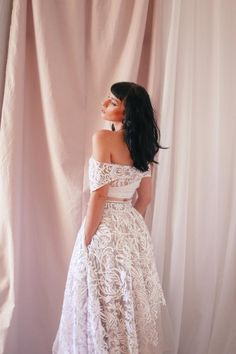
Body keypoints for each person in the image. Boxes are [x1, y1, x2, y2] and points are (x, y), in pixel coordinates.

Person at [52, 82, 174, 354]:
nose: (104, 104)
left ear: (127, 112)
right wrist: (132, 228)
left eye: (113, 102)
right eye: (107, 100)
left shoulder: (103, 139)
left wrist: (86, 239)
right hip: (131, 227)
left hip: (103, 226)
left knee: (97, 297)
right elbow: (145, 198)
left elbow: (98, 196)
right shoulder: (144, 146)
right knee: (126, 300)